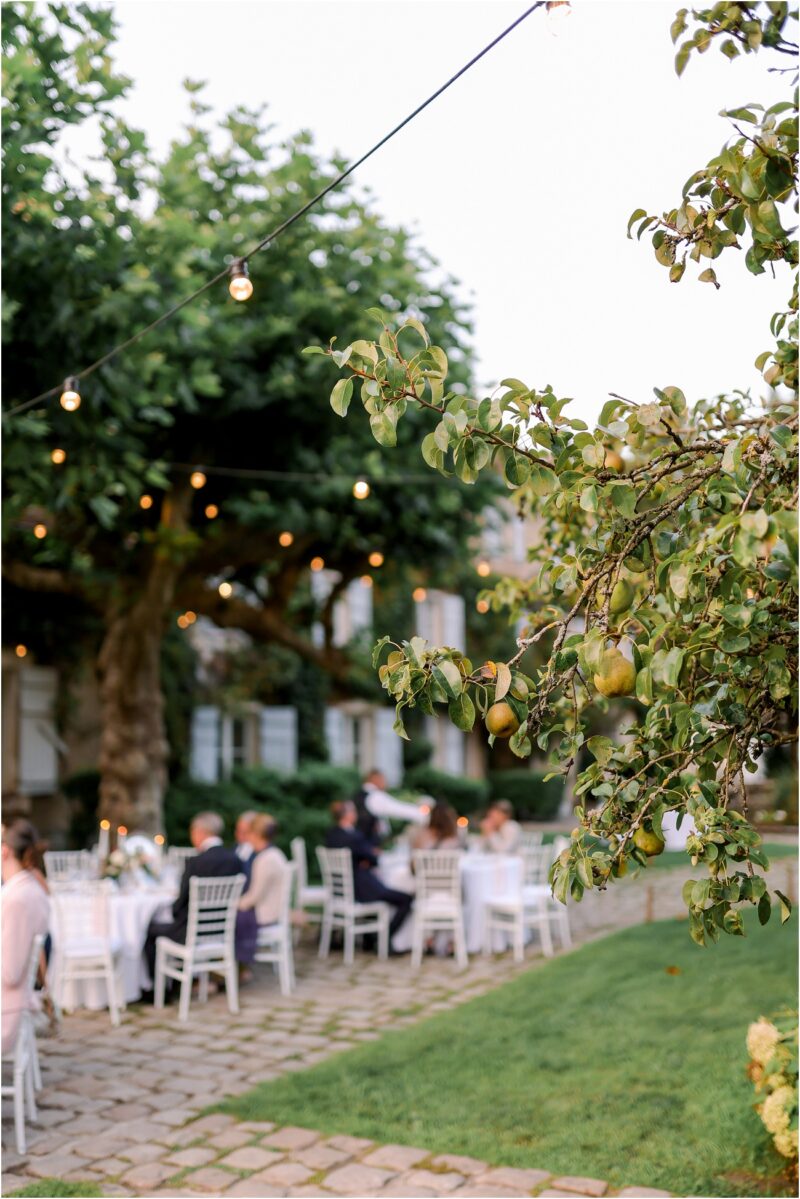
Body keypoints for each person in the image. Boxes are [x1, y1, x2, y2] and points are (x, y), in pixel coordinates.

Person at [143, 811, 240, 987]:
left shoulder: (195, 862)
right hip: (222, 931)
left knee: (149, 930)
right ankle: (187, 980)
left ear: (200, 832)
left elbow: (179, 906)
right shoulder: (235, 859)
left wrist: (172, 910)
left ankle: (159, 990)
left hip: (190, 933)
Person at [326, 800, 413, 949]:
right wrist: (369, 858)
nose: (355, 814)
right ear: (346, 815)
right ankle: (384, 939)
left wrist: (366, 859)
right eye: (352, 811)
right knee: (405, 899)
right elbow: (374, 859)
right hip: (362, 889)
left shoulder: (331, 835)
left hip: (342, 890)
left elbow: (366, 857)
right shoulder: (353, 837)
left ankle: (370, 939)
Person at [2, 819, 50, 1053]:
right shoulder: (31, 888)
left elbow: (10, 974)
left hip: (7, 1011)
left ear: (4, 850)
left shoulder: (16, 899)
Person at [236, 814, 288, 963]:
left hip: (265, 914)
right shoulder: (274, 854)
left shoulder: (265, 859)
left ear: (256, 835)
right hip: (272, 910)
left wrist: (234, 903)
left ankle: (237, 966)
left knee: (228, 921)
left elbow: (254, 897)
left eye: (249, 833)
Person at [354, 768, 426, 848]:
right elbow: (398, 809)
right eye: (383, 780)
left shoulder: (358, 795)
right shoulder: (375, 796)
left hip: (359, 844)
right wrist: (421, 812)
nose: (385, 783)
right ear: (376, 779)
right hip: (367, 848)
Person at [234, 810, 257, 879]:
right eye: (238, 830)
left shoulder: (260, 853)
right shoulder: (235, 847)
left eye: (244, 832)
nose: (239, 835)